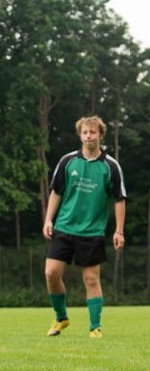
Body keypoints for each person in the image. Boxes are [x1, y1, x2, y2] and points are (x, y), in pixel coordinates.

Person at [43, 115, 126, 338]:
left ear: (100, 135)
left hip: (92, 232)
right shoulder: (67, 161)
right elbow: (56, 192)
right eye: (85, 132)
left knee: (91, 279)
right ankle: (61, 318)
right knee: (51, 273)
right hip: (64, 227)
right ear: (80, 135)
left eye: (93, 132)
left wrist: (118, 230)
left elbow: (119, 199)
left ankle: (95, 327)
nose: (89, 136)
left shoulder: (111, 166)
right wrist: (48, 219)